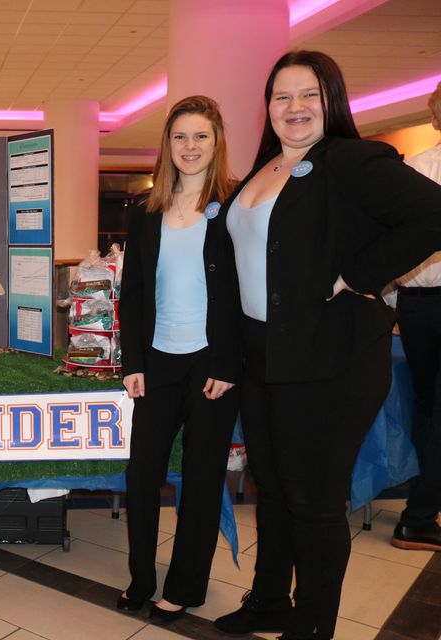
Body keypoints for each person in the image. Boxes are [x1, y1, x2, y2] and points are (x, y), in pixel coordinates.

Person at [214, 51, 441, 640]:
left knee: (314, 500)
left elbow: (433, 215)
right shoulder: (264, 168)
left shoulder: (351, 160)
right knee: (272, 486)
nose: (295, 108)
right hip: (263, 355)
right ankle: (269, 601)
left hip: (331, 358)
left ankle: (312, 627)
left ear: (332, 100)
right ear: (267, 107)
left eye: (309, 95)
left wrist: (360, 277)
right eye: (282, 97)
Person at [116, 95, 241, 623]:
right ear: (168, 145)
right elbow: (135, 292)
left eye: (201, 136)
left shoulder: (235, 208)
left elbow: (242, 293)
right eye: (180, 136)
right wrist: (132, 361)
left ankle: (184, 585)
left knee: (203, 475)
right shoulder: (145, 212)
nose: (190, 147)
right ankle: (141, 578)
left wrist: (229, 364)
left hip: (212, 363)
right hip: (158, 361)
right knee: (142, 474)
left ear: (217, 143)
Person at [388, 81, 441, 553]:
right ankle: (419, 515)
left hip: (416, 304)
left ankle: (422, 507)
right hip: (423, 302)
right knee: (433, 408)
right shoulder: (416, 170)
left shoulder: (417, 169)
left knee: (428, 408)